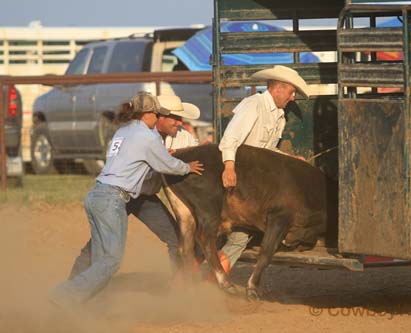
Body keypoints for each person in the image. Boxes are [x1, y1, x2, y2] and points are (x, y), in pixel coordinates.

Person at [50, 92, 204, 307]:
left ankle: (88, 302)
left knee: (102, 253)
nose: (175, 121)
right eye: (162, 114)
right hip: (116, 196)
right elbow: (166, 165)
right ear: (151, 114)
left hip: (104, 193)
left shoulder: (124, 131)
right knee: (110, 259)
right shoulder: (147, 136)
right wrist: (185, 166)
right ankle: (66, 294)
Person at [218, 65, 310, 270]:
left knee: (241, 236)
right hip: (241, 180)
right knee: (239, 234)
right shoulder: (254, 105)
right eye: (291, 92)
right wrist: (229, 166)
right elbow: (231, 138)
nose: (292, 98)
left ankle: (207, 277)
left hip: (254, 184)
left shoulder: (279, 116)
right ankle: (207, 278)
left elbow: (268, 150)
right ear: (278, 88)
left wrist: (291, 159)